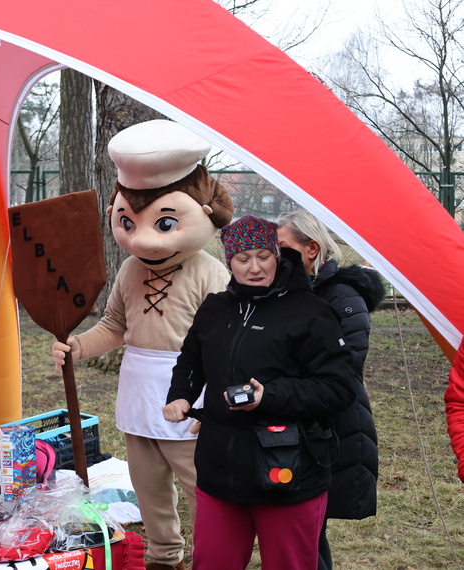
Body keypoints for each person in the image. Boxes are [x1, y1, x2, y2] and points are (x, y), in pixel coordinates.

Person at [52, 119, 234, 570]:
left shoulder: (211, 273)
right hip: (138, 393)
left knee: (201, 487)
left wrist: (211, 405)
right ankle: (162, 556)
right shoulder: (131, 271)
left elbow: (229, 344)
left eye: (165, 222)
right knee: (148, 485)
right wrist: (77, 347)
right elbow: (114, 326)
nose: (143, 239)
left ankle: (214, 558)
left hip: (190, 395)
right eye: (129, 223)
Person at [163, 215, 356, 570]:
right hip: (220, 468)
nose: (255, 267)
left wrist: (269, 396)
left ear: (278, 255)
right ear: (229, 263)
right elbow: (191, 360)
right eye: (243, 258)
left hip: (287, 471)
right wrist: (181, 395)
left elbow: (338, 388)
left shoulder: (311, 313)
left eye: (264, 255)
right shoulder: (215, 308)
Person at [277, 209, 384, 570]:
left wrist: (284, 383)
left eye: (282, 247)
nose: (275, 257)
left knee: (307, 527)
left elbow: (347, 363)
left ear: (311, 248)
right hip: (303, 422)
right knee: (304, 529)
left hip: (333, 428)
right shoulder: (294, 291)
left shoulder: (343, 296)